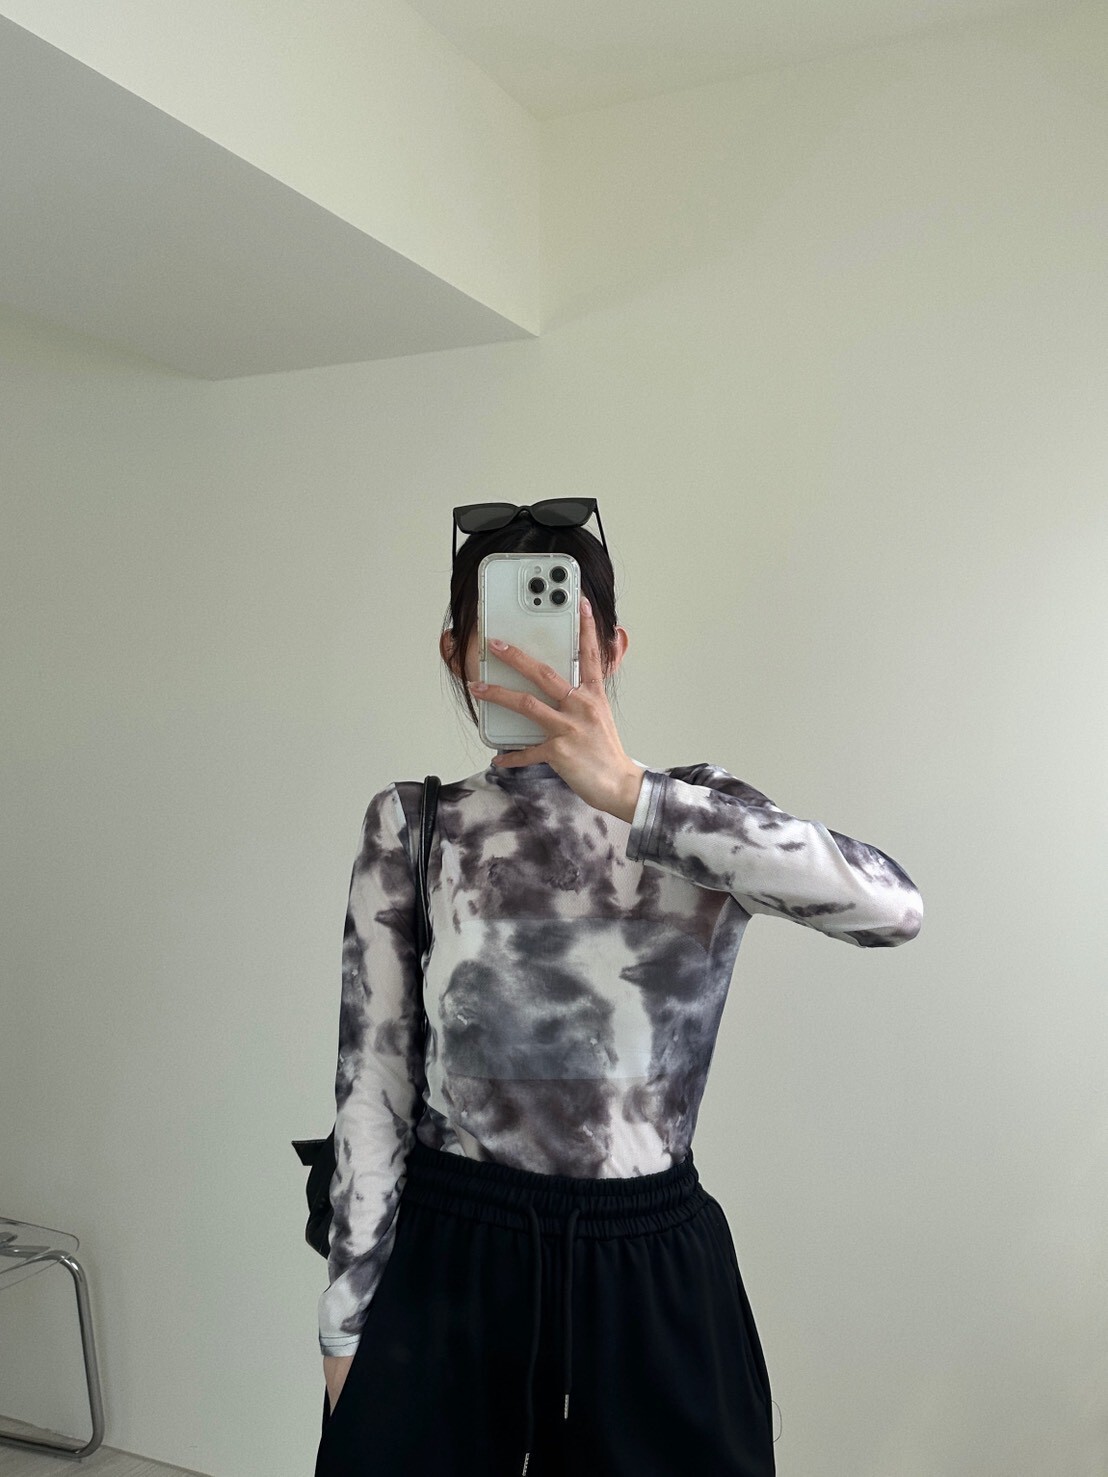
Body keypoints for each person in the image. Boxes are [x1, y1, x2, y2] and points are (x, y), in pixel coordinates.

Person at [314, 502, 923, 1477]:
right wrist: (344, 1324)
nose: (529, 665)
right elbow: (373, 1088)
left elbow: (891, 908)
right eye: (494, 636)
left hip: (647, 1267)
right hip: (450, 1258)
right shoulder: (414, 824)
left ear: (612, 649)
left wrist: (637, 796)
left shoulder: (695, 815)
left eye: (559, 636)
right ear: (455, 652)